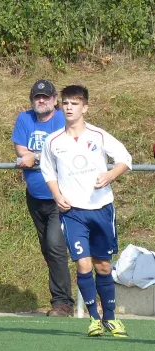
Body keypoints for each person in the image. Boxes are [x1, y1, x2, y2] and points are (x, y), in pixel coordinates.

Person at [41, 85, 132, 337]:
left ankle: (110, 318)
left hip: (101, 209)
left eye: (75, 103)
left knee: (103, 266)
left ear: (85, 108)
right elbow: (48, 172)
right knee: (83, 264)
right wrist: (58, 196)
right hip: (73, 212)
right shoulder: (53, 141)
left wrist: (111, 174)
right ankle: (93, 320)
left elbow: (125, 158)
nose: (69, 108)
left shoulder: (98, 135)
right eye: (66, 103)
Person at [12, 80, 75, 317]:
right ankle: (63, 297)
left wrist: (35, 158)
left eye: (46, 97)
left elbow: (62, 153)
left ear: (54, 100)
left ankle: (63, 303)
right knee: (47, 249)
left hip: (60, 197)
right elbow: (20, 149)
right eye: (37, 97)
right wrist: (30, 156)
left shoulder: (63, 121)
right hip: (35, 196)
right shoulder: (24, 119)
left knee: (55, 246)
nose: (41, 101)